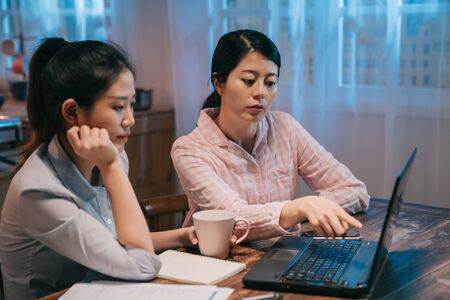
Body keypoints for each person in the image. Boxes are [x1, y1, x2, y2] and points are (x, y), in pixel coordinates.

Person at [0, 38, 199, 299]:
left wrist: (186, 236)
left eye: (131, 103)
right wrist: (112, 167)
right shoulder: (38, 190)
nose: (130, 119)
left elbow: (119, 243)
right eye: (118, 107)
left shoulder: (110, 158)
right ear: (72, 112)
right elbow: (142, 265)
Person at [171, 29, 370, 241]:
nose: (260, 93)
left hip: (276, 254)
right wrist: (301, 207)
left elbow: (354, 190)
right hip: (215, 263)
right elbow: (235, 219)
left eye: (270, 82)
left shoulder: (285, 128)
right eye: (248, 81)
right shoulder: (189, 150)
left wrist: (315, 209)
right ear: (219, 83)